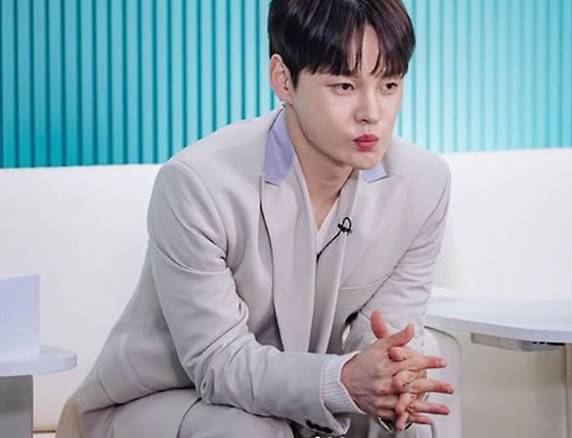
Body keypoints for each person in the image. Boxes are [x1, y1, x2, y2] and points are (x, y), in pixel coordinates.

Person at [56, 0, 453, 437]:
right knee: (251, 431)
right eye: (344, 85)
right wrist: (342, 380)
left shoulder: (424, 185)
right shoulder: (197, 184)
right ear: (283, 80)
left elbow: (387, 337)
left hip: (300, 403)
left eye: (389, 85)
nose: (371, 113)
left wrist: (394, 378)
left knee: (412, 416)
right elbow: (218, 362)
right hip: (167, 398)